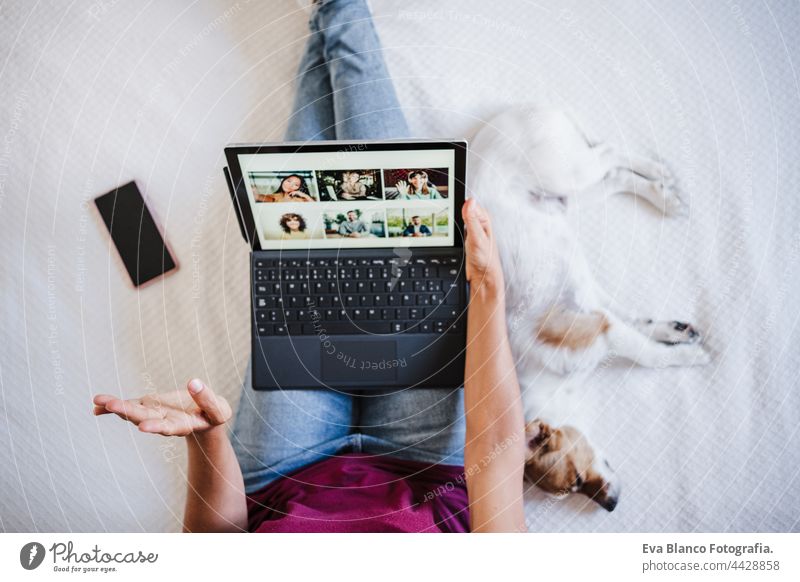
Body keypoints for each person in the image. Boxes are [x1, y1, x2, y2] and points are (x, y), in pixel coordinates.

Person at [91, 0, 525, 533]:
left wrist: (206, 438)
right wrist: (487, 290)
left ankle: (333, 12)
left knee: (301, 232)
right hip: (428, 469)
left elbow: (214, 540)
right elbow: (498, 454)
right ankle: (339, 11)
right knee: (402, 216)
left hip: (282, 476)